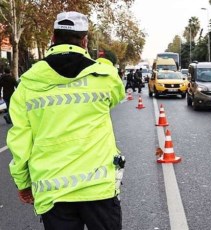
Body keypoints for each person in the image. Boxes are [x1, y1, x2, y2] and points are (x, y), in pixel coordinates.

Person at [7, 11, 125, 230]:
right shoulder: (103, 77)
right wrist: (102, 63)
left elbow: (20, 141)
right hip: (98, 188)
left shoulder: (27, 84)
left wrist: (23, 183)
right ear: (84, 40)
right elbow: (117, 94)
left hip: (53, 191)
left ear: (53, 38)